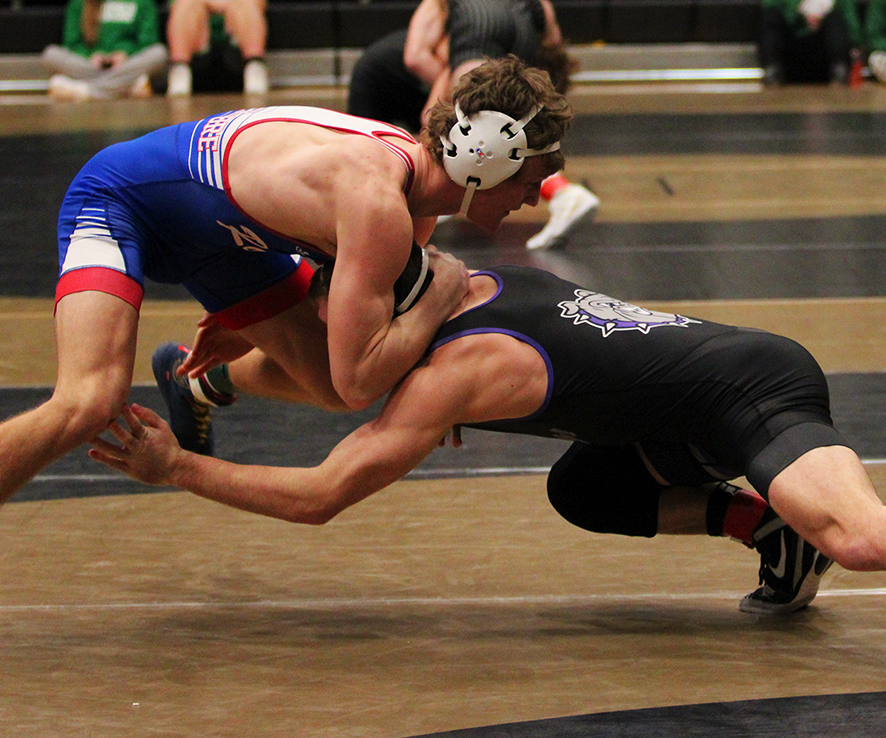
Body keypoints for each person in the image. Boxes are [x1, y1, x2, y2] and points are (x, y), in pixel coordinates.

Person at [94, 263, 886, 708]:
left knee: (855, 529)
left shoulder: (453, 371)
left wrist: (178, 467)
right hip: (673, 410)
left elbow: (322, 495)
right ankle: (766, 532)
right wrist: (217, 373)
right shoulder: (459, 285)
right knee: (585, 489)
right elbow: (332, 362)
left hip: (742, 387)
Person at [0, 56, 571, 504]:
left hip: (228, 238)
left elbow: (344, 311)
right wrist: (439, 299)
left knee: (325, 380)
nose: (532, 197)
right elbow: (363, 376)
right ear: (486, 157)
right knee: (90, 401)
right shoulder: (378, 202)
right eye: (533, 179)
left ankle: (194, 377)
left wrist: (416, 380)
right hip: (125, 201)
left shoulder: (411, 206)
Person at [347, 0, 599, 250]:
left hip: (475, 30)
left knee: (440, 123)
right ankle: (558, 192)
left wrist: (469, 98)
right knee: (511, 134)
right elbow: (553, 41)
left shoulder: (444, 9)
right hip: (523, 29)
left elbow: (416, 57)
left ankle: (562, 193)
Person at [40, 0, 168, 101]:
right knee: (50, 54)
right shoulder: (78, 3)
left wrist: (126, 54)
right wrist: (91, 55)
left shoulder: (143, 2)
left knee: (159, 53)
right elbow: (72, 43)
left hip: (127, 64)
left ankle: (85, 91)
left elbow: (148, 42)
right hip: (91, 65)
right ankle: (126, 87)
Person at [165, 0, 270, 96]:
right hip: (198, 48)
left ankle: (255, 66)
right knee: (185, 4)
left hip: (236, 50)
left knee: (246, 3)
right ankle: (179, 71)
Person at [758, 0, 865, 86]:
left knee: (835, 20)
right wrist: (801, 11)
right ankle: (772, 73)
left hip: (825, 56)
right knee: (771, 17)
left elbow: (852, 26)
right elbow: (769, 5)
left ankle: (839, 74)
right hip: (791, 53)